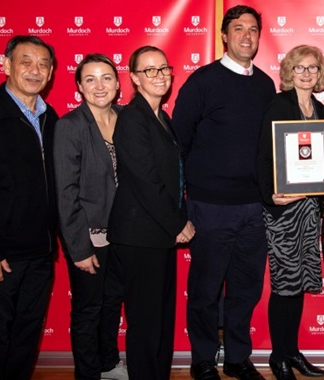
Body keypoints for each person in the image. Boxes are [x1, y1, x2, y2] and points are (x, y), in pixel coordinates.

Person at [171, 5, 276, 380]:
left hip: (255, 208)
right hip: (209, 207)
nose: (246, 36)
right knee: (205, 289)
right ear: (224, 35)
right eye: (238, 29)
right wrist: (179, 207)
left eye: (252, 30)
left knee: (245, 290)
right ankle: (202, 360)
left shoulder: (266, 85)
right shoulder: (202, 82)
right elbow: (177, 147)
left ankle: (236, 358)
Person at [0, 35, 59, 380]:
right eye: (26, 62)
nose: (35, 71)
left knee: (25, 338)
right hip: (0, 256)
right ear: (6, 65)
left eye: (43, 64)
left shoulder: (51, 119)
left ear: (51, 74)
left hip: (40, 252)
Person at [107, 46, 195, 380]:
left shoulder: (161, 117)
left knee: (160, 319)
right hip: (139, 236)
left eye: (163, 69)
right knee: (145, 324)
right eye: (149, 70)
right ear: (134, 78)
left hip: (158, 234)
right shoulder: (132, 118)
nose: (159, 75)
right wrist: (178, 222)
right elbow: (146, 180)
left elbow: (175, 177)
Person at [257, 45, 324, 380]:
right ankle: (279, 357)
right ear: (289, 71)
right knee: (285, 284)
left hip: (308, 210)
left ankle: (293, 351)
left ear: (319, 73)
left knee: (299, 283)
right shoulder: (278, 103)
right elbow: (262, 156)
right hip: (283, 209)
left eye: (312, 68)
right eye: (299, 67)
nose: (305, 73)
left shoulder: (321, 108)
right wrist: (272, 196)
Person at [53, 53, 128, 380]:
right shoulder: (70, 126)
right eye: (90, 79)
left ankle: (108, 363)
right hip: (89, 237)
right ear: (80, 87)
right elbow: (65, 192)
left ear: (118, 83)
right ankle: (87, 373)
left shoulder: (127, 119)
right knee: (88, 310)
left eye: (107, 77)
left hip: (125, 236)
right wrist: (79, 248)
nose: (100, 86)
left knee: (113, 303)